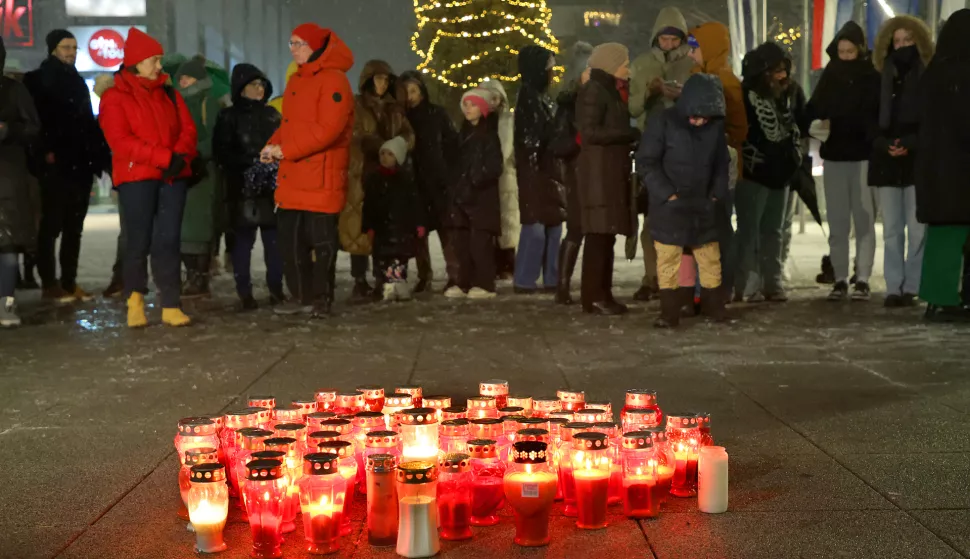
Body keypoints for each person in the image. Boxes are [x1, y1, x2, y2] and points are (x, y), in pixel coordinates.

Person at [99, 27, 197, 328]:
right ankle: (135, 300)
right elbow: (120, 141)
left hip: (172, 177)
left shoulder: (169, 93)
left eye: (159, 60)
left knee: (168, 240)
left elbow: (188, 129)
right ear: (136, 62)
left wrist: (178, 156)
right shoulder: (115, 98)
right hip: (137, 178)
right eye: (154, 60)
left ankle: (170, 303)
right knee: (138, 241)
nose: (159, 66)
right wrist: (164, 158)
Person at [262, 23, 354, 318]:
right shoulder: (297, 81)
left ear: (315, 46)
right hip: (294, 175)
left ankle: (320, 298)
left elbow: (328, 130)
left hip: (321, 176)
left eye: (299, 43)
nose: (293, 48)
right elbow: (289, 125)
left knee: (322, 243)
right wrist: (272, 145)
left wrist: (286, 150)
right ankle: (300, 295)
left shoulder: (334, 81)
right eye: (291, 43)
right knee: (290, 244)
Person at [23, 29, 111, 303]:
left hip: (80, 164)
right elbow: (34, 124)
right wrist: (45, 153)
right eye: (66, 47)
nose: (71, 52)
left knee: (74, 227)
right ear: (53, 49)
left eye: (74, 47)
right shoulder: (36, 81)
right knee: (51, 226)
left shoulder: (77, 82)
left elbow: (86, 123)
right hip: (56, 165)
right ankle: (50, 283)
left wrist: (99, 159)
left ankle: (69, 282)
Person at [637, 73, 731, 327]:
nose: (698, 120)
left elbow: (722, 164)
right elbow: (647, 162)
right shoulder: (663, 123)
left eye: (705, 116)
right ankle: (670, 312)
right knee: (668, 259)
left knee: (709, 257)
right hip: (670, 207)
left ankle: (714, 308)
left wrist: (715, 194)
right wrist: (667, 194)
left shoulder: (714, 128)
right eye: (694, 115)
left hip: (703, 205)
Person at [807, 22, 880, 302]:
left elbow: (876, 112)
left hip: (862, 157)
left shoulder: (870, 75)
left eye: (850, 51)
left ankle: (862, 277)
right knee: (837, 222)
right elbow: (814, 108)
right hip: (836, 157)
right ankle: (839, 278)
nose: (846, 56)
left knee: (864, 221)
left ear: (860, 50)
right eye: (842, 51)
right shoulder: (831, 74)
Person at [629, 7, 695, 302]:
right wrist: (650, 91)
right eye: (664, 39)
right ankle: (651, 276)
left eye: (674, 39)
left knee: (682, 215)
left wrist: (682, 97)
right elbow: (632, 108)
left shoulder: (692, 65)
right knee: (651, 218)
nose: (668, 44)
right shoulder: (642, 64)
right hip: (651, 147)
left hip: (683, 149)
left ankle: (678, 280)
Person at [870, 16, 933, 308]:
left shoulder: (929, 77)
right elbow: (870, 120)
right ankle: (894, 287)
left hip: (917, 160)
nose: (902, 46)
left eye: (908, 40)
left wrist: (909, 144)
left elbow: (934, 122)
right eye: (897, 41)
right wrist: (885, 145)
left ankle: (913, 285)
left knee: (918, 227)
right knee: (893, 228)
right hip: (887, 159)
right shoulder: (881, 76)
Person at [341, 60, 415, 303]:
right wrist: (376, 144)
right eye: (378, 79)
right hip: (362, 172)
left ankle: (382, 277)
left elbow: (408, 134)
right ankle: (359, 279)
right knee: (360, 227)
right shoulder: (357, 105)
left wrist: (399, 147)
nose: (382, 84)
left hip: (388, 174)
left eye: (386, 79)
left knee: (384, 228)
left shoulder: (395, 108)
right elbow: (353, 133)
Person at [734, 42, 802, 303]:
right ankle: (746, 282)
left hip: (780, 174)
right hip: (755, 174)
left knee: (774, 230)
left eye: (784, 70)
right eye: (776, 71)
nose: (782, 76)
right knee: (749, 230)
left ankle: (771, 281)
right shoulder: (746, 96)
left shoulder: (785, 95)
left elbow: (792, 126)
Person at [212, 62, 284, 310]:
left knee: (274, 244)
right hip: (242, 190)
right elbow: (222, 153)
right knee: (243, 244)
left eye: (262, 84)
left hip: (271, 189)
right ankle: (245, 292)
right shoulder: (228, 117)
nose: (260, 89)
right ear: (241, 88)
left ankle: (276, 288)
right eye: (254, 84)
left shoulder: (272, 115)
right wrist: (252, 163)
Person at [576, 42, 641, 315]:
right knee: (598, 238)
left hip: (608, 173)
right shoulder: (595, 90)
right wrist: (628, 135)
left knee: (605, 237)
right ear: (611, 65)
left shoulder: (608, 90)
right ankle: (594, 296)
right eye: (625, 63)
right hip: (598, 176)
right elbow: (589, 133)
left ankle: (601, 293)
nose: (629, 68)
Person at [914, 9, 970, 322]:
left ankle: (939, 297)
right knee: (953, 236)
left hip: (936, 170)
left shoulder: (934, 72)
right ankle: (944, 299)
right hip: (959, 171)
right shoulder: (962, 74)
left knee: (943, 235)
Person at [687, 22, 748, 297]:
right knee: (700, 230)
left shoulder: (726, 81)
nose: (690, 54)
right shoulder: (695, 76)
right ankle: (702, 288)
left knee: (720, 228)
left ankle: (721, 287)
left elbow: (740, 129)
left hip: (719, 167)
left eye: (694, 47)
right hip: (696, 168)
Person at [399, 70, 459, 293]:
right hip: (414, 183)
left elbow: (452, 143)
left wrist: (449, 173)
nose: (410, 96)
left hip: (438, 181)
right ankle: (424, 275)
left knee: (447, 231)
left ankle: (455, 274)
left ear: (422, 91)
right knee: (418, 234)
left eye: (414, 91)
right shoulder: (401, 117)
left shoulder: (437, 114)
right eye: (406, 92)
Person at [514, 45, 565, 294]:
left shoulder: (542, 97)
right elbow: (531, 140)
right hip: (538, 173)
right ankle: (525, 278)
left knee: (553, 226)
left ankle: (551, 277)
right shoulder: (529, 98)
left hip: (548, 171)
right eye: (548, 68)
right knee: (536, 228)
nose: (551, 73)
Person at [443, 88, 503, 299]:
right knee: (462, 244)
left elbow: (495, 166)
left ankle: (485, 283)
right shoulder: (463, 134)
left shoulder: (489, 135)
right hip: (462, 199)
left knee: (480, 244)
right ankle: (464, 282)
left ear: (484, 108)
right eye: (466, 104)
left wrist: (474, 178)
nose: (468, 108)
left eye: (473, 104)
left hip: (481, 200)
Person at [0, 37, 42, 327]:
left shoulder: (13, 90)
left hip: (7, 178)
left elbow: (33, 128)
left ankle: (5, 303)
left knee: (7, 245)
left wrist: (6, 129)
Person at [173, 56, 222, 299]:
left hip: (202, 173)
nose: (183, 81)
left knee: (200, 228)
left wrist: (192, 153)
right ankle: (191, 274)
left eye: (188, 76)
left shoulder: (207, 103)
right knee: (182, 228)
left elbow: (214, 138)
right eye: (181, 77)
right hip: (181, 171)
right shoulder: (173, 103)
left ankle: (200, 277)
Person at [551, 42, 593, 305]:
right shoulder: (568, 104)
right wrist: (579, 141)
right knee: (577, 227)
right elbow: (558, 143)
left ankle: (578, 285)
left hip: (592, 168)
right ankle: (562, 285)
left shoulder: (600, 98)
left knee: (592, 229)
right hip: (577, 169)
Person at [363, 136, 425, 302]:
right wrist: (368, 226)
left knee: (398, 257)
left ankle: (397, 283)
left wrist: (418, 223)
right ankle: (385, 283)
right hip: (381, 227)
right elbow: (368, 205)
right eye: (382, 153)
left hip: (401, 227)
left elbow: (414, 203)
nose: (384, 157)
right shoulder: (374, 179)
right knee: (382, 257)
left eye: (389, 154)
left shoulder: (405, 179)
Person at [478, 80, 519, 282]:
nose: (492, 102)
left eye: (495, 97)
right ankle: (493, 263)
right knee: (490, 221)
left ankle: (508, 264)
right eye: (488, 98)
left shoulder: (508, 121)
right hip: (487, 178)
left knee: (507, 223)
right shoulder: (479, 122)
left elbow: (509, 150)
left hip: (505, 178)